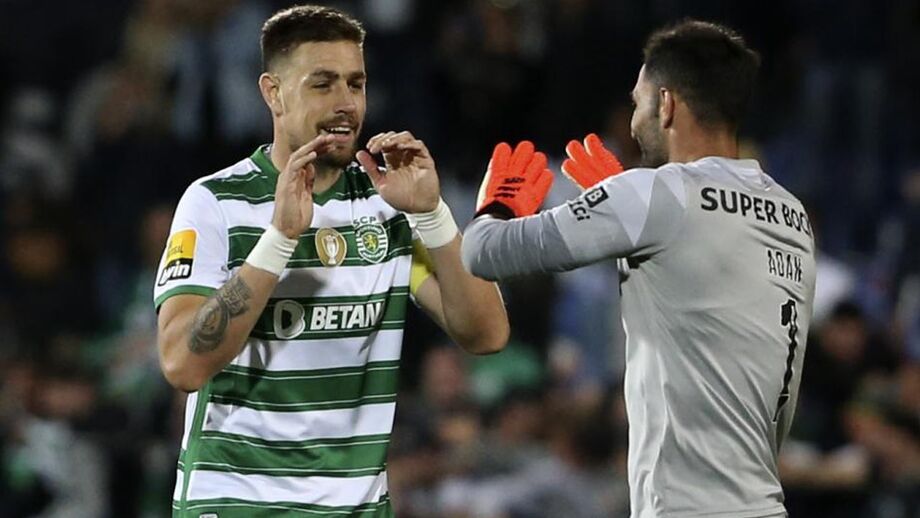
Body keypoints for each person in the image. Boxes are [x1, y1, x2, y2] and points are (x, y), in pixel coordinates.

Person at [153, 5, 509, 516]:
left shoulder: (388, 205)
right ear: (273, 93)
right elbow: (182, 363)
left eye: (356, 84)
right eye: (323, 84)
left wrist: (432, 214)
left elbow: (487, 333)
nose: (346, 104)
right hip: (238, 504)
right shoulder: (216, 203)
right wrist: (279, 240)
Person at [462, 20, 816, 518]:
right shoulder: (791, 215)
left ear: (666, 104)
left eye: (638, 103)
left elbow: (484, 253)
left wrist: (496, 205)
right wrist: (624, 224)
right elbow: (705, 300)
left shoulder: (654, 195)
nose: (632, 123)